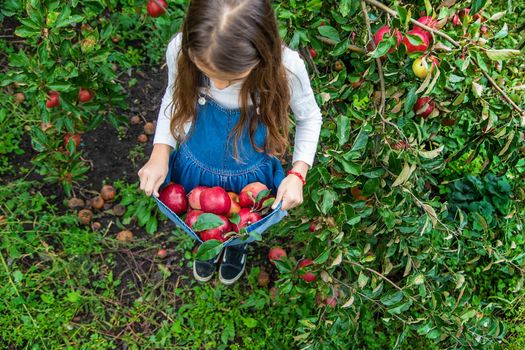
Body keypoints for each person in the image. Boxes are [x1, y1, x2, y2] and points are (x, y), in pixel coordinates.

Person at [137, 0, 322, 285]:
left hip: (249, 175)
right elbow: (173, 98)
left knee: (243, 222)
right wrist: (160, 151)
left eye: (231, 78)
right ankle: (208, 244)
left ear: (262, 55)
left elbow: (310, 118)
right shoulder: (180, 49)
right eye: (207, 73)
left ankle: (236, 247)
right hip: (197, 164)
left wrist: (298, 174)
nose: (218, 85)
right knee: (202, 220)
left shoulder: (287, 68)